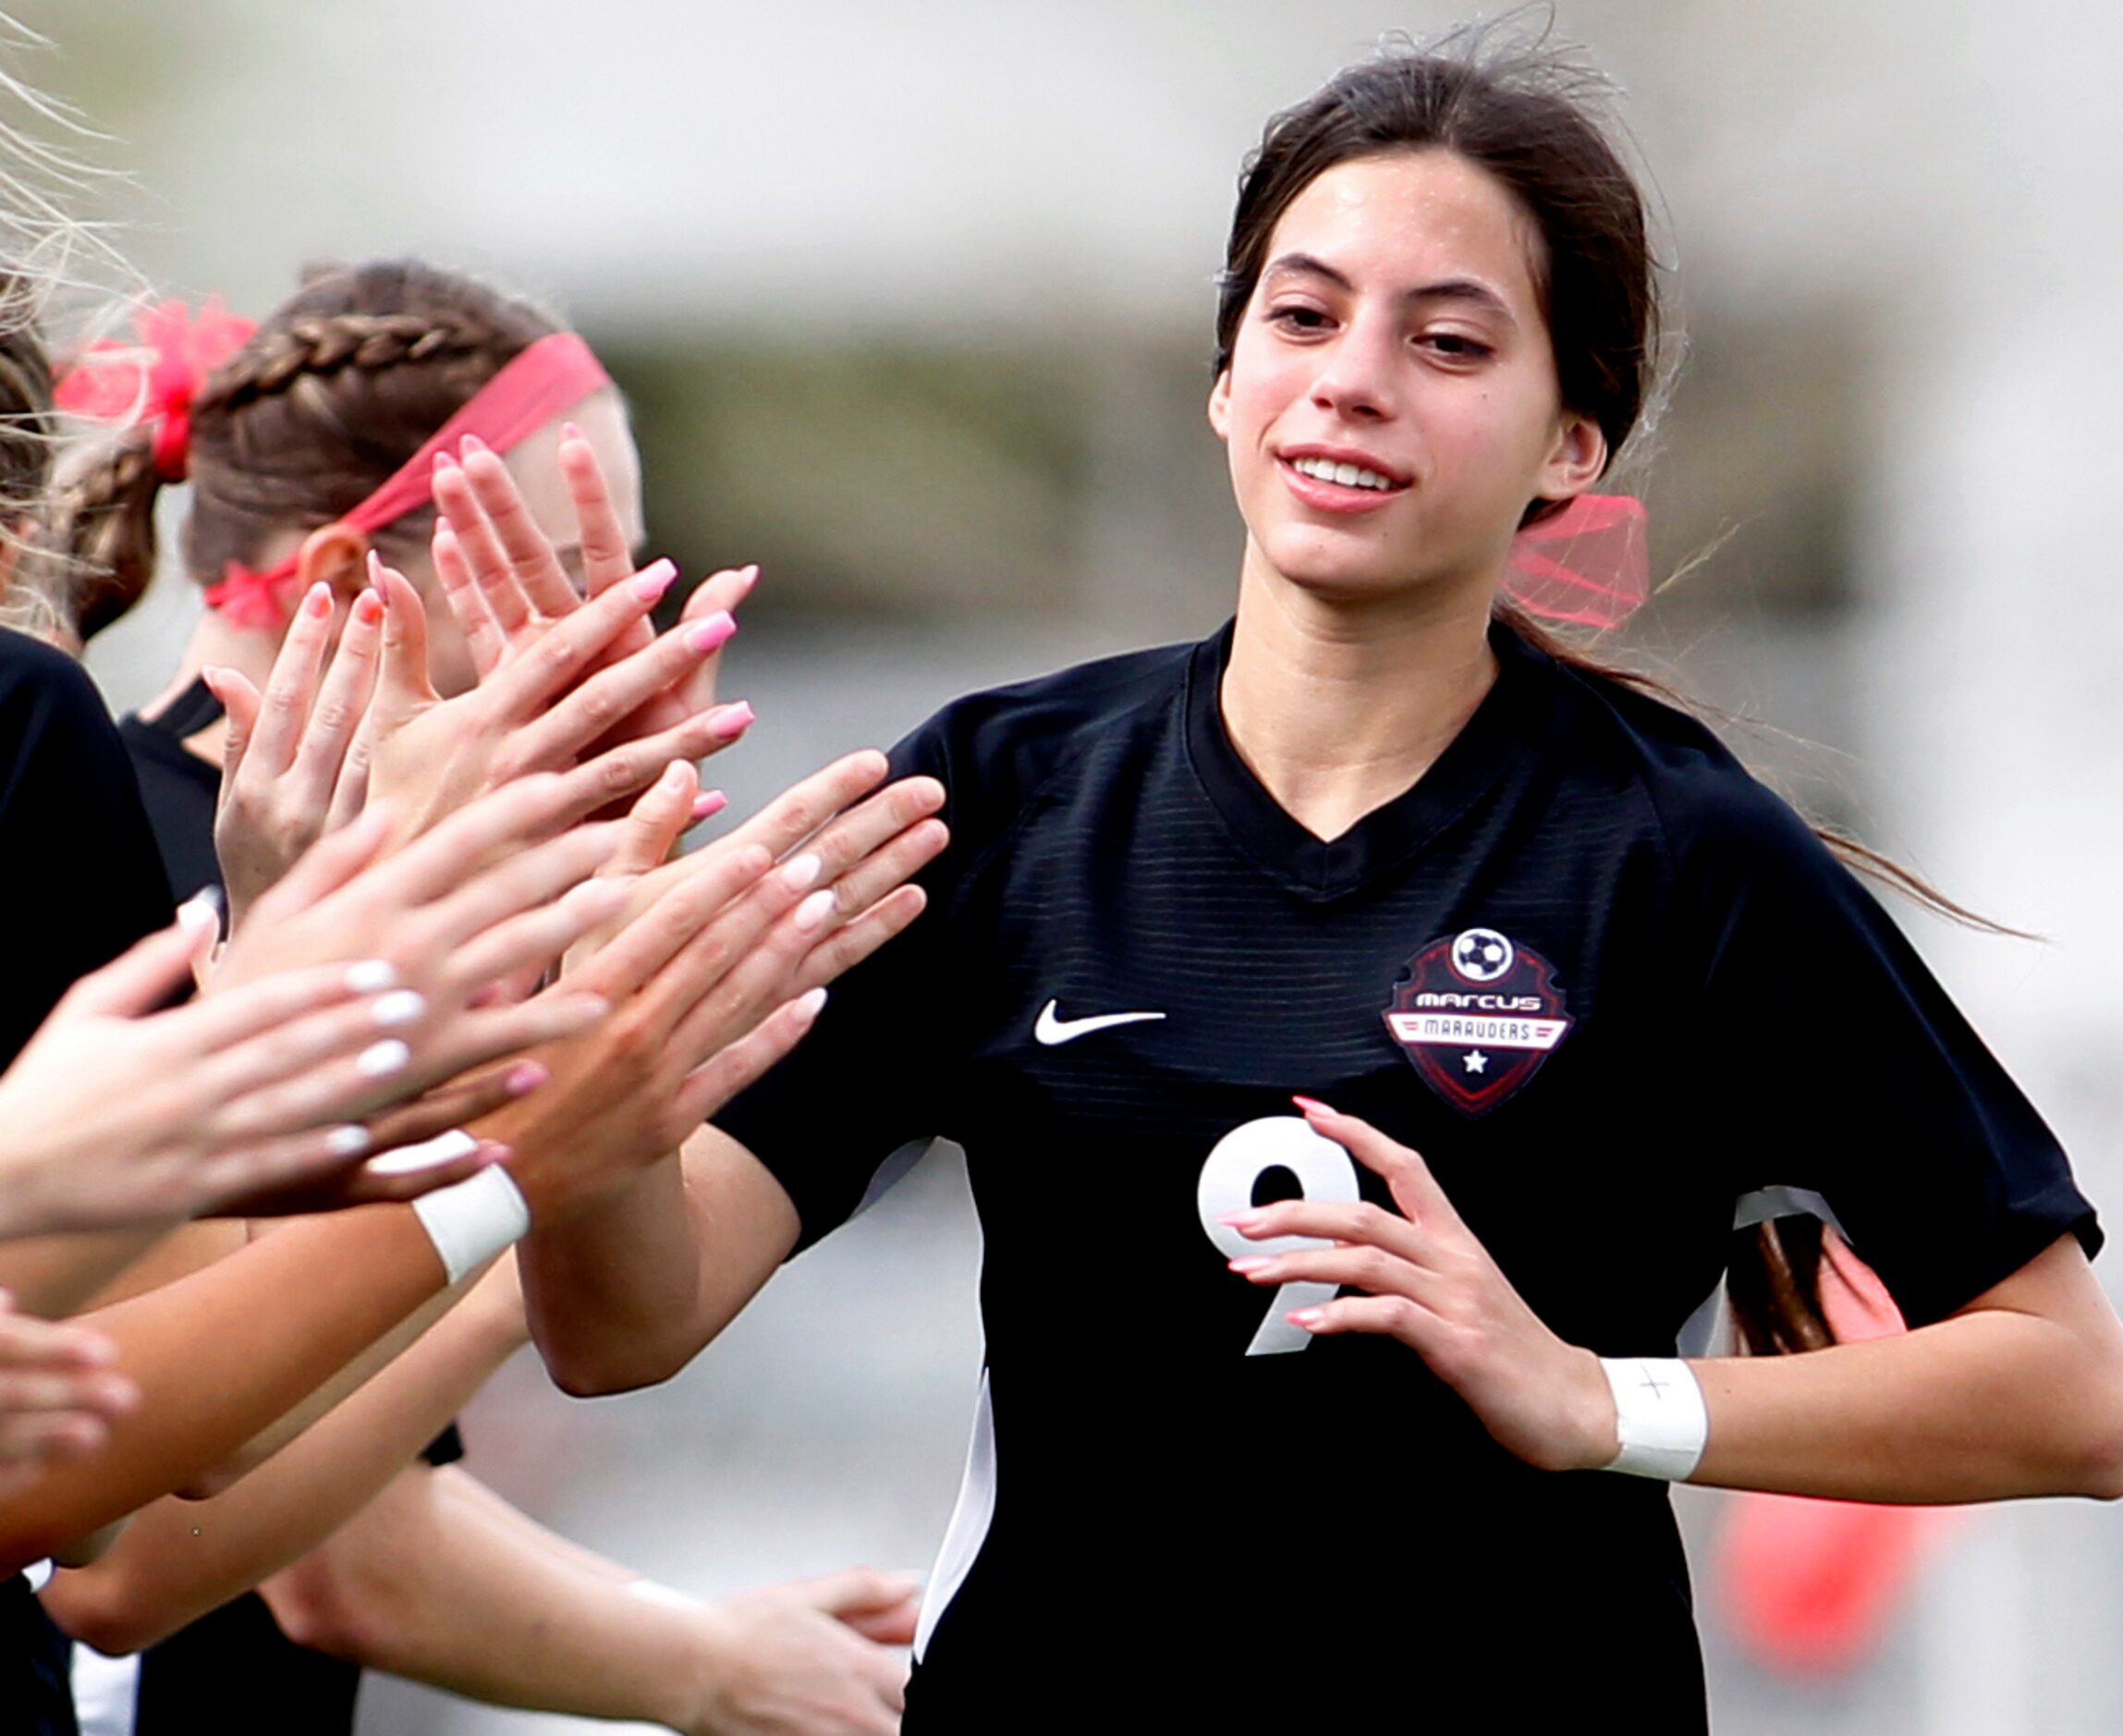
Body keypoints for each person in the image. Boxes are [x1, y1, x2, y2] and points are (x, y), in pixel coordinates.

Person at [503, 25, 2123, 1730]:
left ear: (1570, 442)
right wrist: (594, 1065)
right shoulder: (995, 798)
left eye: (1445, 339)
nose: (1353, 377)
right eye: (1301, 314)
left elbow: (2070, 1393)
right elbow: (626, 1328)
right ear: (1224, 380)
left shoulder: (1677, 854)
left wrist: (1597, 1397)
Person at [40, 259, 925, 1736]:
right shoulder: (112, 868)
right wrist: (551, 1163)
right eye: (572, 578)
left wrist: (703, 1651)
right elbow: (141, 1556)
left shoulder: (426, 893)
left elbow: (352, 1526)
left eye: (633, 579)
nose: (634, 647)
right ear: (342, 585)